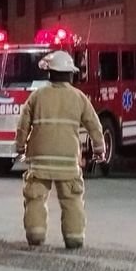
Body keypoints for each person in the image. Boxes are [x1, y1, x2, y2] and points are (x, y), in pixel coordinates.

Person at [14, 50, 105, 249]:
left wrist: (20, 146)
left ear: (49, 73)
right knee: (72, 199)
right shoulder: (79, 97)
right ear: (70, 74)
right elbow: (94, 125)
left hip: (39, 160)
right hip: (68, 160)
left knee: (35, 198)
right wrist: (99, 149)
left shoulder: (36, 97)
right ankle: (74, 238)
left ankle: (35, 235)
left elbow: (23, 125)